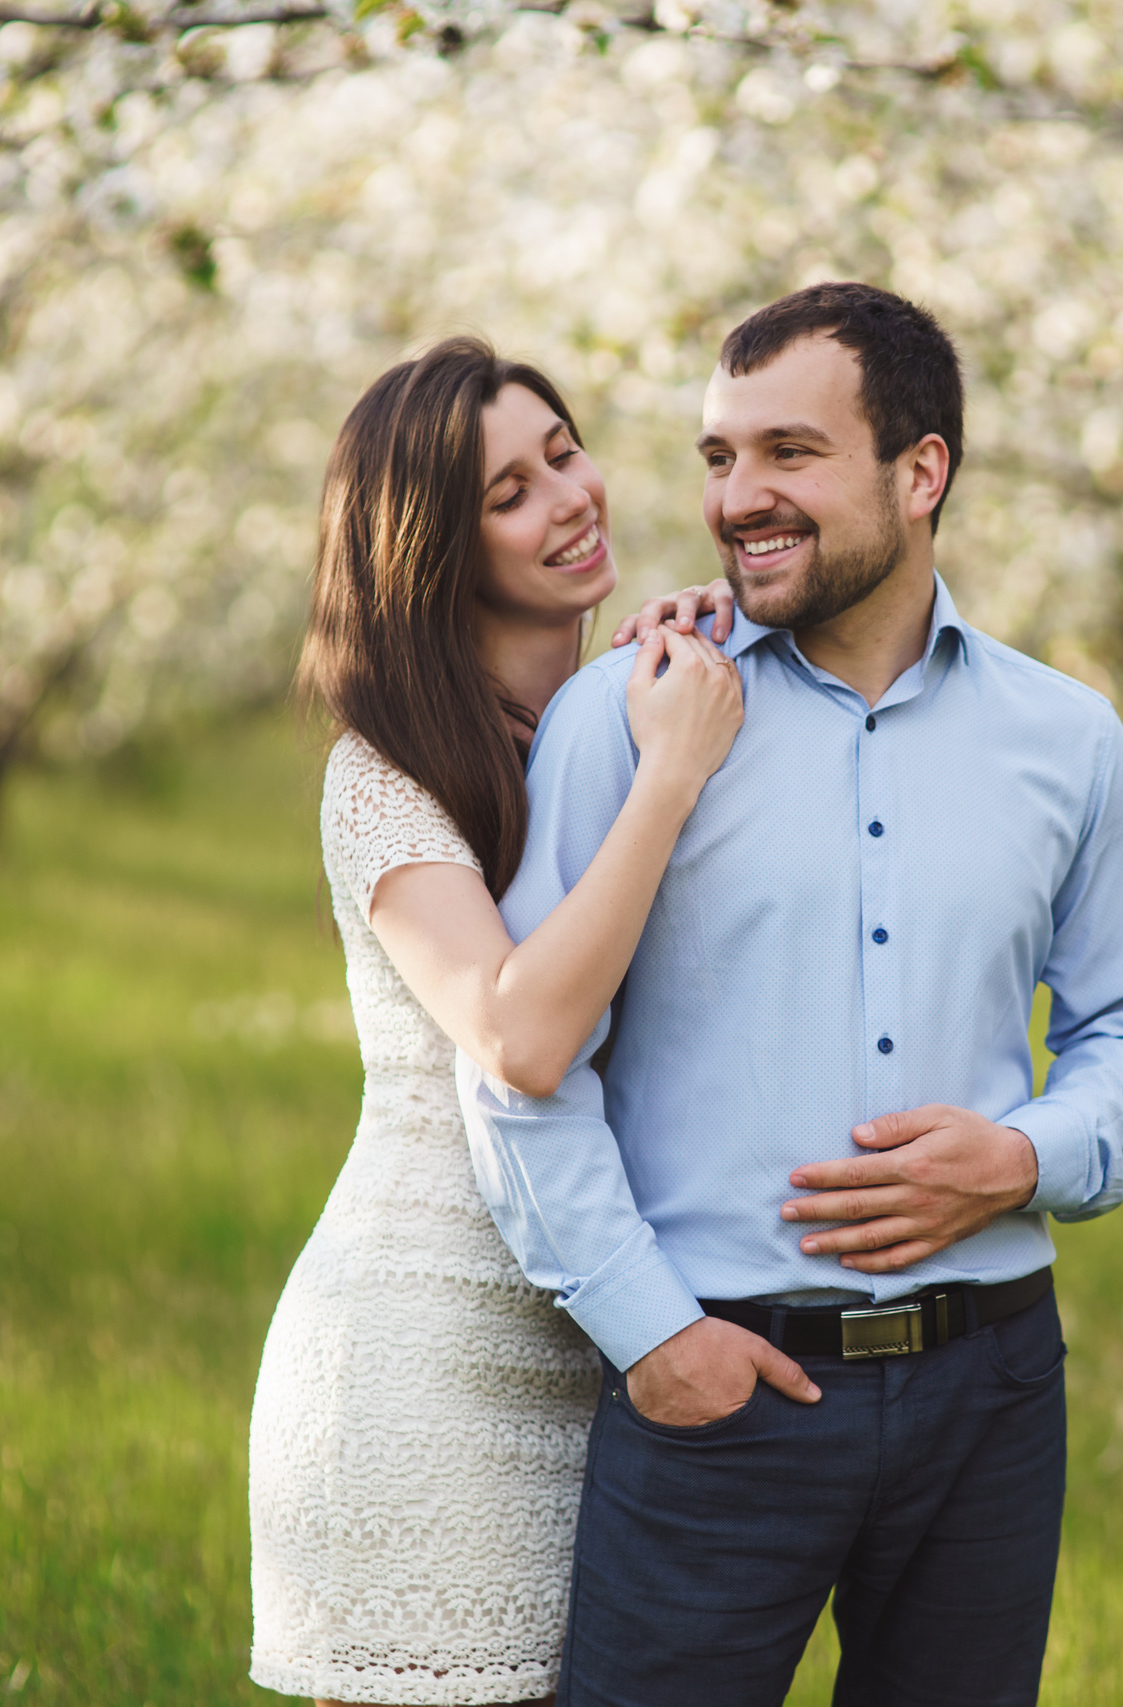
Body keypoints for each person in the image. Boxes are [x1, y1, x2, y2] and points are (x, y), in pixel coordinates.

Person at [460, 282, 1123, 1706]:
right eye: (719, 457)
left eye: (789, 453)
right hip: (718, 1385)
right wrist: (653, 1337)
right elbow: (522, 1068)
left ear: (920, 473)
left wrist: (1028, 1155)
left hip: (991, 1387)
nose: (739, 498)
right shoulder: (631, 715)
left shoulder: (1069, 739)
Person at [246, 336, 747, 1707]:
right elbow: (520, 1038)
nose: (570, 498)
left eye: (564, 453)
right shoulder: (384, 778)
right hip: (421, 1368)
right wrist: (670, 778)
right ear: (432, 551)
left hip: (603, 1339)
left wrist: (708, 664)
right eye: (509, 493)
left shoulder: (610, 720)